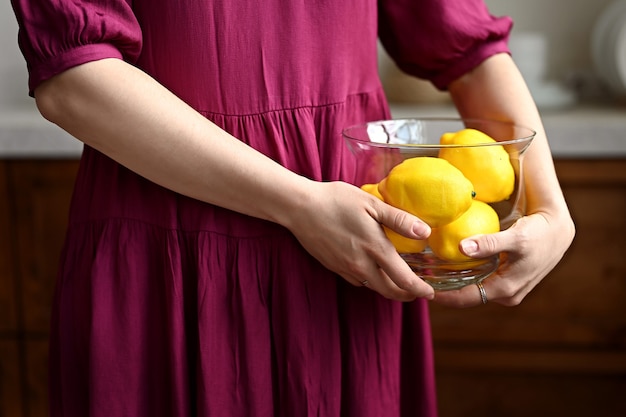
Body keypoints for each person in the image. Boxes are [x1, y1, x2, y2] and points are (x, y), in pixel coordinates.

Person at [11, 0, 574, 415]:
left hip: (349, 256)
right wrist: (298, 204)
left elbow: (467, 50)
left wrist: (550, 208)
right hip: (171, 248)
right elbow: (73, 79)